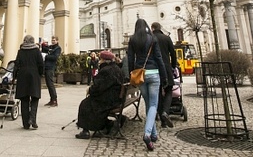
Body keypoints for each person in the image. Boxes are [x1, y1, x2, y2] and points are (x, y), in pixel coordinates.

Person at [128, 18, 167, 151]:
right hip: (154, 73)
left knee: (149, 103)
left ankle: (154, 134)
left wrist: (131, 75)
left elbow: (130, 58)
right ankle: (147, 134)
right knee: (153, 105)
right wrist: (164, 75)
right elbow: (159, 58)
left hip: (141, 75)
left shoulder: (132, 39)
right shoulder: (152, 39)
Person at [75, 50, 124, 139]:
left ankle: (85, 131)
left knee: (85, 104)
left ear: (104, 60)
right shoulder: (116, 68)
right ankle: (106, 124)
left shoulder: (106, 70)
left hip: (109, 100)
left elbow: (98, 87)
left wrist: (90, 89)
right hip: (116, 98)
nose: (99, 61)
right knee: (90, 103)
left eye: (100, 59)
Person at [151, 21, 178, 128]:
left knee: (157, 93)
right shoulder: (166, 38)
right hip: (166, 68)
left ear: (152, 28)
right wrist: (173, 65)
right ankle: (165, 112)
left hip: (155, 68)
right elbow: (173, 52)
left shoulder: (151, 38)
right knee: (168, 90)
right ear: (160, 28)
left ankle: (162, 120)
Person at [14, 35, 44, 129]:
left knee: (24, 99)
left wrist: (14, 76)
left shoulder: (21, 51)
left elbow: (16, 64)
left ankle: (25, 123)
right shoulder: (36, 51)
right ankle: (32, 119)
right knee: (35, 98)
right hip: (34, 75)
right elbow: (41, 64)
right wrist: (40, 73)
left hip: (22, 76)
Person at [43, 36, 62, 107]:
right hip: (46, 67)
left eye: (54, 40)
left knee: (50, 84)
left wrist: (46, 56)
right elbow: (45, 49)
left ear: (57, 41)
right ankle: (51, 99)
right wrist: (43, 45)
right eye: (52, 40)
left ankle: (54, 100)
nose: (53, 41)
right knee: (48, 84)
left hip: (51, 67)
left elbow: (55, 57)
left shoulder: (58, 48)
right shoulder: (51, 47)